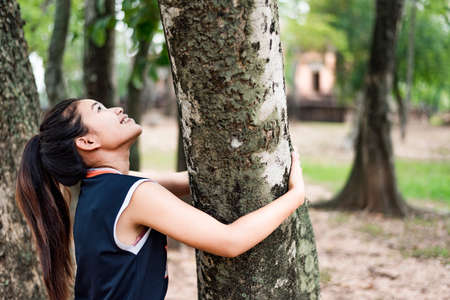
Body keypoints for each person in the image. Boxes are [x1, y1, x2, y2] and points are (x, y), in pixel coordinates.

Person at [15, 98, 305, 300]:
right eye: (99, 109)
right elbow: (230, 241)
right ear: (87, 142)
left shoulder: (95, 188)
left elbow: (181, 182)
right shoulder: (133, 195)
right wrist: (295, 196)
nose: (117, 109)